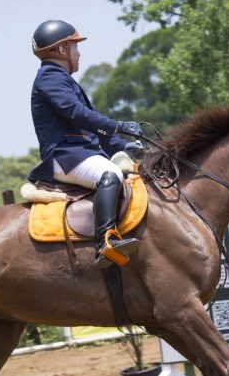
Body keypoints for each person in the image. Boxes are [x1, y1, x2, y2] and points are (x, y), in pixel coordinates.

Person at [28, 19, 144, 268]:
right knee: (110, 174)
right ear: (62, 50)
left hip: (81, 154)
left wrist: (124, 147)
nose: (78, 54)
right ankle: (106, 241)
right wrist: (119, 125)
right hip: (65, 157)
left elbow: (96, 131)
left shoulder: (64, 80)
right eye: (75, 47)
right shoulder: (49, 77)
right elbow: (76, 114)